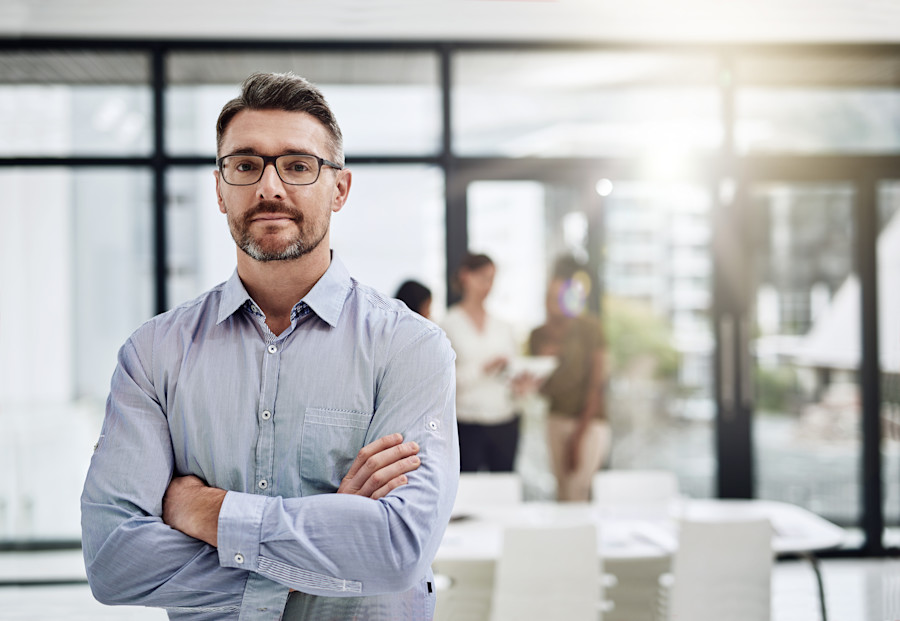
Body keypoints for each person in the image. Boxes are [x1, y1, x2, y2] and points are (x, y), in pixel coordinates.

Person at [80, 71, 459, 621]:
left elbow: (397, 549)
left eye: (299, 165)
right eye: (245, 164)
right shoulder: (153, 354)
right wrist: (333, 544)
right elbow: (115, 562)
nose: (270, 187)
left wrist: (200, 508)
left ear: (340, 188)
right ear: (219, 187)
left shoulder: (411, 348)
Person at [528, 255, 609, 502]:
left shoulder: (589, 328)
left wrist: (579, 435)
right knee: (563, 492)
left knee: (578, 489)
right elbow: (541, 390)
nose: (553, 303)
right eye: (549, 297)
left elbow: (597, 384)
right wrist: (545, 364)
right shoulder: (538, 336)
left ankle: (581, 539)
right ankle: (567, 540)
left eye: (558, 297)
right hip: (556, 419)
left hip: (590, 420)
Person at [440, 253, 521, 472]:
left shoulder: (503, 326)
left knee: (504, 489)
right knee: (467, 491)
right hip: (466, 423)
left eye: (492, 279)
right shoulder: (448, 324)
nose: (488, 285)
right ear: (466, 276)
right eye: (483, 278)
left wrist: (521, 385)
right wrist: (483, 369)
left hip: (504, 421)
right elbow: (444, 381)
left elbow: (511, 376)